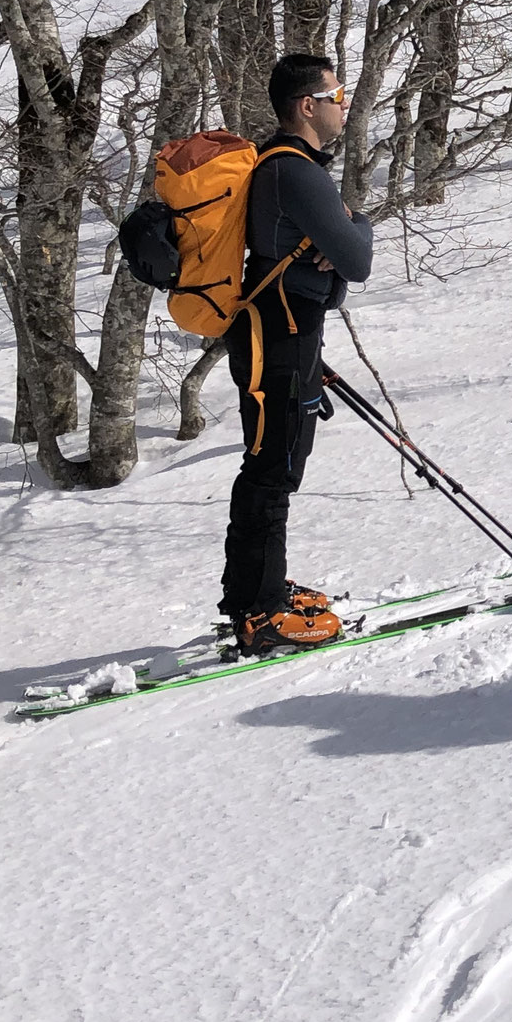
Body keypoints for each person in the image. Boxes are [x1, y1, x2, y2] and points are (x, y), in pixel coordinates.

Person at [220, 54, 375, 655]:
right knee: (272, 469)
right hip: (278, 340)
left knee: (275, 464)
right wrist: (355, 222)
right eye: (336, 94)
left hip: (285, 332)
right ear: (307, 106)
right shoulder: (295, 171)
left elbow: (335, 272)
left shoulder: (289, 166)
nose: (344, 103)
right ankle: (259, 611)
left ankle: (255, 589)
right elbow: (357, 261)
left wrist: (336, 245)